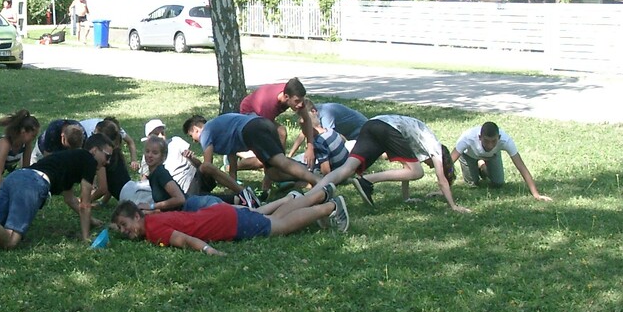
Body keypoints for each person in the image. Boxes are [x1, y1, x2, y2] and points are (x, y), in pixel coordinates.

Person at [304, 114, 470, 213]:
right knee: (418, 172)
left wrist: (406, 198)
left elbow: (406, 169)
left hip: (372, 124)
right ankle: (367, 180)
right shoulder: (434, 146)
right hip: (387, 128)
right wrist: (453, 206)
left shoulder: (419, 140)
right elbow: (441, 180)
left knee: (347, 168)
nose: (429, 165)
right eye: (431, 164)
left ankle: (307, 198)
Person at [111, 185, 350, 253]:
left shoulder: (153, 230)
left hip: (227, 224)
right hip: (220, 213)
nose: (123, 230)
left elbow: (184, 240)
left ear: (137, 216)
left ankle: (330, 207)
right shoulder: (152, 220)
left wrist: (209, 251)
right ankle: (321, 193)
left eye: (124, 225)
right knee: (275, 216)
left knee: (281, 225)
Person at [184, 112, 318, 193]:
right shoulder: (220, 132)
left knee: (280, 162)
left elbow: (208, 166)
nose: (194, 141)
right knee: (273, 173)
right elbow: (232, 163)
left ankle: (317, 180)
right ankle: (309, 176)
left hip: (252, 129)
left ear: (196, 129)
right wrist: (233, 187)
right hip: (262, 124)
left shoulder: (206, 132)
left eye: (192, 136)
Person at [452, 121, 551, 201]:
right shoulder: (467, 138)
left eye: (494, 141)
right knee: (472, 184)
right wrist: (444, 185)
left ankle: (481, 165)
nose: (490, 145)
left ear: (499, 138)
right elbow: (449, 162)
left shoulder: (505, 140)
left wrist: (536, 194)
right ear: (480, 137)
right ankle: (478, 164)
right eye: (486, 141)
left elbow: (521, 166)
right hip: (469, 155)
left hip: (492, 156)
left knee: (498, 183)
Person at [237, 78, 313, 165]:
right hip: (250, 112)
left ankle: (280, 164)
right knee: (266, 158)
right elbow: (266, 134)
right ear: (286, 97)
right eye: (297, 101)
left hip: (262, 111)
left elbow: (307, 120)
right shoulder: (269, 106)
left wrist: (310, 147)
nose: (300, 104)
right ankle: (234, 161)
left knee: (282, 132)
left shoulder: (295, 95)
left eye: (302, 100)